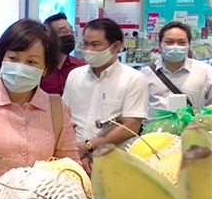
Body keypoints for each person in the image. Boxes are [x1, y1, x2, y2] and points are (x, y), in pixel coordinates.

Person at [0, 19, 80, 197]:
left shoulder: (57, 110)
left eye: (31, 62)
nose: (20, 67)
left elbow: (70, 168)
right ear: (2, 58)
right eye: (13, 58)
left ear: (45, 68)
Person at [63, 18, 148, 171]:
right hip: (75, 161)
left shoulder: (134, 79)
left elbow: (130, 127)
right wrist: (77, 154)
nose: (88, 50)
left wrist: (88, 147)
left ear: (115, 46)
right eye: (85, 44)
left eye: (95, 45)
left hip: (115, 162)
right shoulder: (75, 76)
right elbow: (65, 118)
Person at [142, 21, 212, 116]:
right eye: (169, 42)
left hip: (190, 129)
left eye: (182, 42)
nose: (175, 46)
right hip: (153, 130)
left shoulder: (205, 71)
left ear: (189, 44)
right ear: (160, 44)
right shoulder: (146, 73)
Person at [40, 12, 86, 96]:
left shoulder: (81, 67)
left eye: (71, 32)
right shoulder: (39, 67)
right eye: (63, 32)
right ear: (48, 36)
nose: (69, 35)